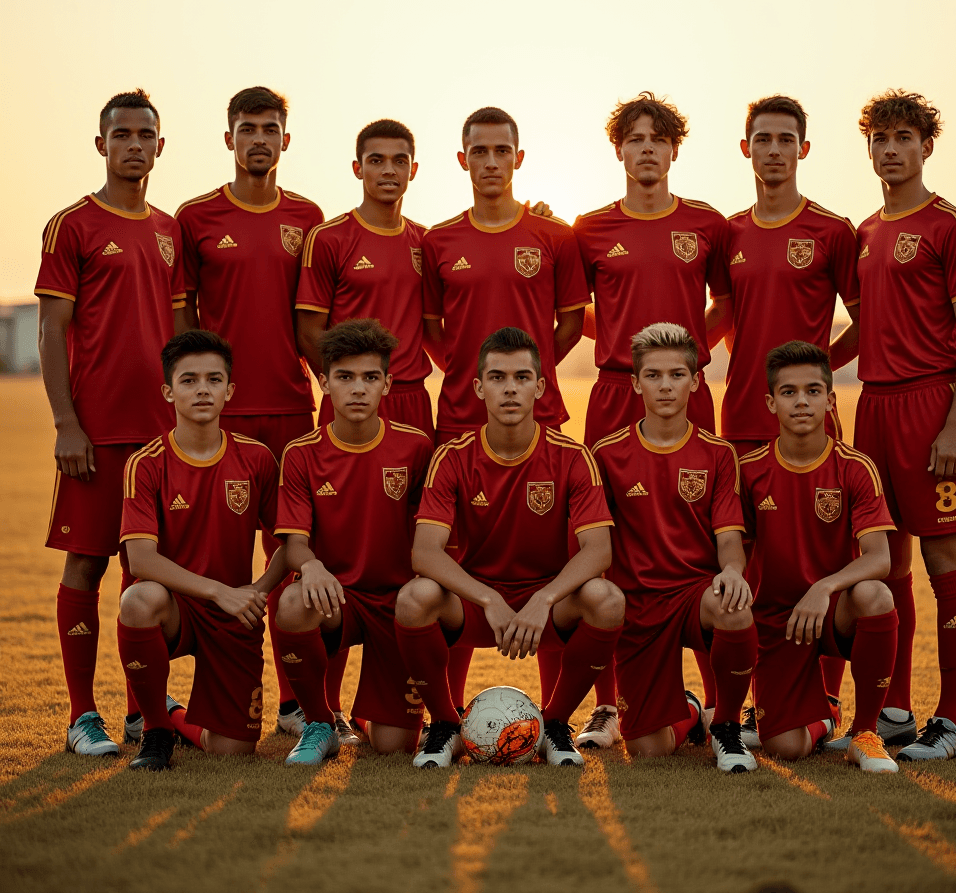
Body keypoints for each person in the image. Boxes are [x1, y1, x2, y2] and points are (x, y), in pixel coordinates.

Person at [572, 92, 730, 744]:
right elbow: (570, 313)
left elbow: (726, 303)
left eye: (657, 139)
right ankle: (610, 707)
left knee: (698, 542)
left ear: (673, 150)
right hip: (613, 395)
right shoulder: (590, 229)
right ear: (619, 151)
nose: (646, 149)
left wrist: (688, 353)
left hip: (686, 396)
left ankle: (721, 703)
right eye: (633, 139)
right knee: (608, 548)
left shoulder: (708, 224)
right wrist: (619, 344)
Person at [394, 328, 623, 768]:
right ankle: (444, 725)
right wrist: (488, 598)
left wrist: (545, 597)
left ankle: (554, 725)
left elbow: (599, 551)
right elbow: (425, 553)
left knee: (607, 601)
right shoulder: (453, 456)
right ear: (479, 388)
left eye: (521, 377)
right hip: (479, 605)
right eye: (497, 377)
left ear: (540, 386)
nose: (510, 388)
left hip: (548, 605)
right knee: (413, 598)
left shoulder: (572, 456)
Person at [36, 88, 186, 755]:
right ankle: (80, 715)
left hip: (160, 438)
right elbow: (49, 329)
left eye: (144, 134)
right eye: (120, 134)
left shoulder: (168, 230)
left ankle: (138, 710)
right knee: (84, 565)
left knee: (144, 575)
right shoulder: (73, 225)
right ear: (101, 145)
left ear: (160, 145)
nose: (133, 144)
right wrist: (67, 424)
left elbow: (181, 335)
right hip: (95, 433)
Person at [705, 94, 861, 730]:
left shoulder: (832, 230)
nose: (773, 149)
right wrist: (670, 351)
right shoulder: (730, 233)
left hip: (809, 426)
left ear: (803, 147)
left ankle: (823, 700)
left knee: (820, 555)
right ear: (746, 149)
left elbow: (867, 318)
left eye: (785, 139)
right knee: (739, 563)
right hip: (739, 420)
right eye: (761, 139)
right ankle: (731, 705)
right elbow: (719, 314)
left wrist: (819, 369)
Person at [842, 90, 956, 760]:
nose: (891, 148)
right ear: (868, 148)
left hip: (931, 407)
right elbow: (863, 327)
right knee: (886, 559)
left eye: (904, 137)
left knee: (942, 558)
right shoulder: (866, 233)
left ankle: (951, 722)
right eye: (881, 138)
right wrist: (804, 362)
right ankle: (896, 709)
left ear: (927, 146)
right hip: (873, 406)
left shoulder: (949, 225)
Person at [175, 86, 325, 739]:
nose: (259, 138)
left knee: (291, 549)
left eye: (270, 127)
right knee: (215, 556)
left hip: (292, 407)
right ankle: (211, 698)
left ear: (286, 140)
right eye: (247, 127)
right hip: (220, 416)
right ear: (228, 138)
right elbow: (182, 320)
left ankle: (295, 701)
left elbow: (317, 316)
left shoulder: (309, 215)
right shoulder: (196, 216)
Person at [117, 330, 286, 771]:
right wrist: (217, 591)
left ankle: (174, 717)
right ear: (168, 391)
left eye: (214, 379)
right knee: (138, 599)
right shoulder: (147, 463)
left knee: (233, 750)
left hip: (234, 613)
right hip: (178, 606)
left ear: (229, 390)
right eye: (189, 380)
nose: (202, 389)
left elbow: (288, 541)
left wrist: (259, 589)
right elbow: (140, 560)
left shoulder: (257, 459)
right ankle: (154, 731)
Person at [592, 324, 757, 772]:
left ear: (696, 381)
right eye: (654, 375)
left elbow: (729, 541)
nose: (665, 385)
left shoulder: (719, 454)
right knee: (648, 748)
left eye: (677, 374)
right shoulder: (606, 454)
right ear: (635, 382)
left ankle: (725, 724)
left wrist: (733, 572)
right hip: (638, 606)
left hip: (694, 595)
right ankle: (689, 713)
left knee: (735, 605)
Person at [273, 319, 434, 764]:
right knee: (291, 602)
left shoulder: (416, 448)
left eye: (369, 377)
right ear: (324, 383)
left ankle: (373, 718)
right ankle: (320, 721)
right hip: (336, 599)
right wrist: (312, 566)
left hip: (397, 605)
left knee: (392, 747)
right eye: (344, 377)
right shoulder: (302, 453)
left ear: (388, 382)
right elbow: (293, 542)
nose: (358, 389)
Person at [741, 341, 899, 773]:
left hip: (832, 611)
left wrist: (824, 587)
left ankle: (865, 733)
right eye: (789, 392)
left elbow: (879, 557)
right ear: (771, 402)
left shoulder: (854, 467)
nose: (802, 402)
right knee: (785, 748)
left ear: (830, 399)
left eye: (813, 391)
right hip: (776, 621)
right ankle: (825, 717)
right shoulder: (750, 472)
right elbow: (733, 554)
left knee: (875, 595)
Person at [421, 107, 590, 447]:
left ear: (519, 157)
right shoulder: (437, 241)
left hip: (537, 412)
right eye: (479, 152)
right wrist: (471, 371)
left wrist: (527, 372)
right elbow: (430, 330)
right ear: (462, 159)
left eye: (502, 151)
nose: (492, 162)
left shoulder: (556, 235)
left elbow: (571, 327)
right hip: (461, 414)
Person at [295, 119, 436, 438]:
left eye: (399, 161)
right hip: (351, 400)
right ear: (358, 168)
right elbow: (307, 332)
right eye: (376, 160)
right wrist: (346, 385)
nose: (389, 170)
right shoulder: (329, 238)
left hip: (411, 398)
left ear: (412, 170)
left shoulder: (426, 242)